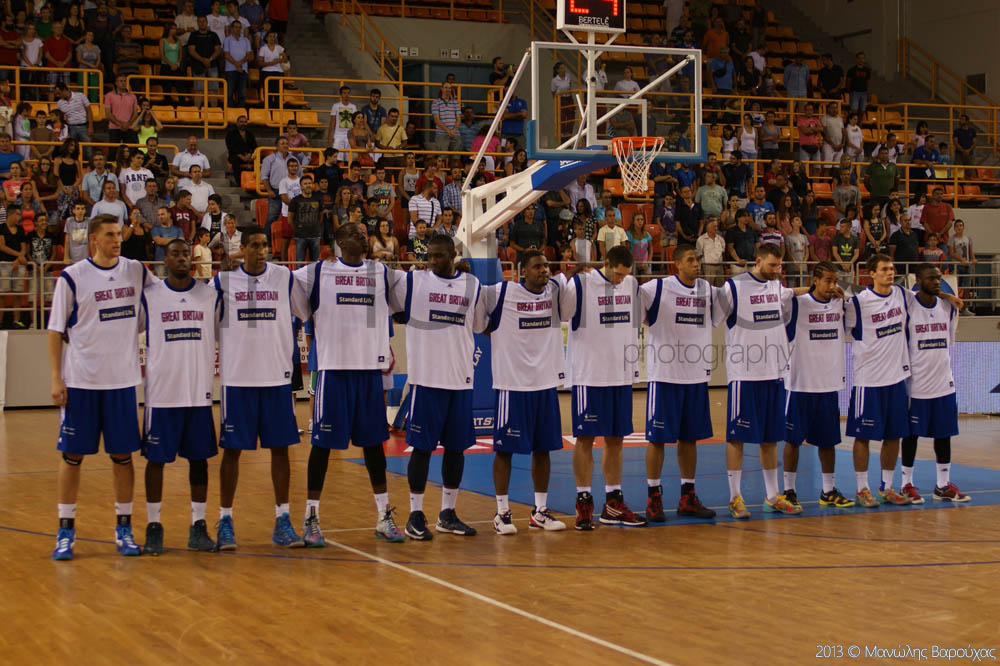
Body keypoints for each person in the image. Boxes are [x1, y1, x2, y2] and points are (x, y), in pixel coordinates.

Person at [291, 222, 407, 545]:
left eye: (364, 233)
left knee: (374, 446)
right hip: (334, 372)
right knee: (322, 447)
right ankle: (311, 517)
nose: (363, 236)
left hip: (369, 372)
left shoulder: (382, 273)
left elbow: (421, 286)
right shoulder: (317, 273)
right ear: (340, 241)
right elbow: (277, 283)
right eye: (355, 234)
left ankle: (383, 515)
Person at [47, 214, 155, 560]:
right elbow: (55, 330)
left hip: (122, 382)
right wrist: (56, 377)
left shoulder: (136, 271)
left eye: (119, 234)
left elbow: (165, 295)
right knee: (72, 456)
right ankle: (65, 530)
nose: (117, 239)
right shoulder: (73, 277)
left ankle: (124, 527)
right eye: (109, 234)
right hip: (81, 381)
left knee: (122, 457)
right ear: (93, 239)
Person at [213, 226, 307, 550]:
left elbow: (306, 310)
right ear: (242, 248)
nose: (261, 250)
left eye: (265, 244)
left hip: (276, 378)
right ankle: (225, 520)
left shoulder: (284, 278)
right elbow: (209, 323)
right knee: (232, 451)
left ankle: (283, 520)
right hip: (238, 379)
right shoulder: (223, 282)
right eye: (254, 245)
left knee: (281, 450)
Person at [391, 234, 487, 539]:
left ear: (454, 255)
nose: (432, 261)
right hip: (426, 381)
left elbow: (479, 325)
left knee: (456, 449)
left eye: (439, 256)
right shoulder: (413, 282)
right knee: (421, 448)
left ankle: (448, 513)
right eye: (429, 256)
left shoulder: (472, 285)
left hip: (460, 380)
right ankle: (415, 514)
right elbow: (379, 286)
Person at [556, 245, 646, 530]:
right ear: (606, 263)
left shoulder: (631, 284)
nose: (621, 279)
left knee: (616, 439)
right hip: (589, 375)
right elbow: (560, 312)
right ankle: (583, 500)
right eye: (617, 274)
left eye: (625, 275)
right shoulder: (581, 284)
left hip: (620, 375)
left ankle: (613, 501)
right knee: (585, 439)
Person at [478, 250, 567, 535]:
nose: (544, 270)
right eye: (537, 266)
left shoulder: (555, 290)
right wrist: (496, 332)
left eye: (546, 265)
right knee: (505, 451)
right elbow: (476, 312)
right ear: (522, 271)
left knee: (543, 449)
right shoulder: (501, 292)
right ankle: (502, 512)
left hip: (545, 384)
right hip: (512, 385)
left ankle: (540, 511)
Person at [139, 238, 219, 555]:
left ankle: (198, 526)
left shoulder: (210, 295)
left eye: (186, 253)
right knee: (156, 461)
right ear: (166, 260)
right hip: (162, 394)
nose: (182, 258)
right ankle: (153, 526)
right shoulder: (150, 296)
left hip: (198, 393)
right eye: (175, 254)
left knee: (199, 461)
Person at [714, 243, 798, 518]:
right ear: (758, 261)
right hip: (745, 375)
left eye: (779, 265)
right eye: (772, 265)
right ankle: (734, 497)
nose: (777, 270)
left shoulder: (776, 286)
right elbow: (715, 318)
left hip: (774, 373)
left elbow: (792, 294)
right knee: (737, 438)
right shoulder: (734, 287)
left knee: (771, 439)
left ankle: (772, 496)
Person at [640, 244, 719, 522]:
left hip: (696, 376)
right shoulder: (656, 288)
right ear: (677, 264)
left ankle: (688, 496)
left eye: (698, 259)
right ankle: (654, 496)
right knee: (657, 439)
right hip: (665, 376)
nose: (697, 264)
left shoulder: (708, 290)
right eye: (690, 259)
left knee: (690, 439)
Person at [781, 261, 856, 509]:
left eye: (835, 281)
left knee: (828, 441)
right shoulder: (798, 304)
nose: (832, 285)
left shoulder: (840, 304)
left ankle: (828, 490)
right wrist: (803, 290)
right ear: (815, 280)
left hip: (829, 383)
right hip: (800, 384)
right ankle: (788, 490)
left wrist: (844, 297)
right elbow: (777, 297)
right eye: (827, 281)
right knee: (793, 441)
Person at [844, 254, 913, 507]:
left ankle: (887, 486)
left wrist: (949, 297)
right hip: (869, 380)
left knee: (894, 435)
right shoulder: (858, 303)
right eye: (884, 269)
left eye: (892, 268)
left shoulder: (903, 295)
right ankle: (862, 489)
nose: (890, 273)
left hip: (896, 378)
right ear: (871, 273)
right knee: (863, 436)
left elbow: (927, 298)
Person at [899, 264, 969, 504]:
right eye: (931, 278)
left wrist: (947, 296)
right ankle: (906, 484)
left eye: (938, 278)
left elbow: (948, 342)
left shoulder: (947, 307)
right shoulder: (908, 307)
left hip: (943, 382)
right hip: (916, 383)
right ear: (918, 280)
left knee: (944, 434)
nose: (936, 282)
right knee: (911, 436)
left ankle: (942, 485)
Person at [287, 173, 322, 264]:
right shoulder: (295, 200)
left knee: (315, 263)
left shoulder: (318, 199)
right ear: (301, 186)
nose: (308, 185)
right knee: (299, 263)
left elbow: (320, 216)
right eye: (305, 184)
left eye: (309, 183)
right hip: (300, 236)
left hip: (315, 235)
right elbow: (290, 220)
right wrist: (297, 230)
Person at [327, 85, 356, 161]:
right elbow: (332, 122)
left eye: (348, 93)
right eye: (344, 93)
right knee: (337, 158)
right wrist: (329, 136)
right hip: (338, 135)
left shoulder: (353, 107)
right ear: (341, 94)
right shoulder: (336, 106)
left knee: (348, 159)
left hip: (349, 136)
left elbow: (355, 123)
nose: (346, 95)